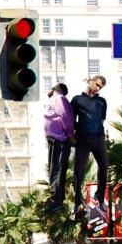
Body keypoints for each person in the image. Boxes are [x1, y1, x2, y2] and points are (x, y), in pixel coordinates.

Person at [72, 75, 109, 218]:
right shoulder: (77, 100)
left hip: (98, 137)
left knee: (104, 165)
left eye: (100, 87)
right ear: (90, 81)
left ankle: (99, 197)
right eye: (97, 84)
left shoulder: (102, 101)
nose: (98, 88)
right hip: (82, 138)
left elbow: (101, 119)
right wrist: (75, 134)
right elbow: (71, 120)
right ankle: (77, 201)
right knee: (79, 170)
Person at [43, 82, 74, 213]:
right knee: (54, 167)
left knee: (58, 167)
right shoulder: (54, 99)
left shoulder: (59, 98)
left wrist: (69, 134)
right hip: (54, 138)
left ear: (58, 89)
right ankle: (55, 198)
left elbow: (65, 117)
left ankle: (57, 199)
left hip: (60, 138)